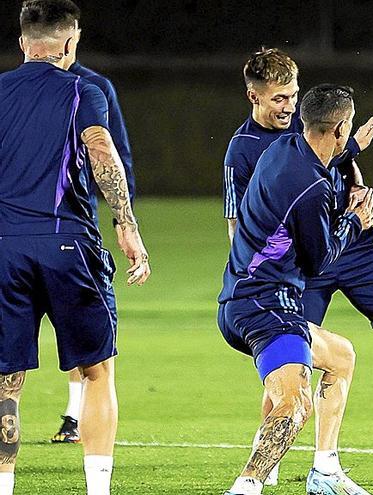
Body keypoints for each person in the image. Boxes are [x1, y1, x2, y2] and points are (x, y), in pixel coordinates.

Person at [223, 50, 373, 481]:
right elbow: (241, 222)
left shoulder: (305, 133)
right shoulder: (246, 150)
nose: (287, 107)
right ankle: (265, 463)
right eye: (279, 99)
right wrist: (261, 269)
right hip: (301, 262)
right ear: (254, 97)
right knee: (292, 366)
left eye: (293, 98)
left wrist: (356, 180)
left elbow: (339, 164)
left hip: (351, 246)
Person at [0, 1, 151, 494]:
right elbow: (102, 149)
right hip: (69, 245)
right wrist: (126, 224)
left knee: (6, 379)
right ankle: (97, 490)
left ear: (24, 43)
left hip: (5, 248)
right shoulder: (83, 90)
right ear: (70, 43)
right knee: (97, 369)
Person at [222, 49, 373, 494]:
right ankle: (248, 486)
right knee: (294, 405)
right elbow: (321, 262)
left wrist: (349, 157)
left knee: (341, 356)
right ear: (341, 128)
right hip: (264, 304)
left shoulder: (280, 148)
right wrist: (355, 221)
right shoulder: (310, 186)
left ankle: (325, 470)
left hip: (248, 295)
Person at [51, 4, 138, 447]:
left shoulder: (93, 88)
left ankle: (74, 411)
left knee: (79, 326)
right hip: (46, 231)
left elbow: (113, 151)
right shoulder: (21, 91)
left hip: (72, 222)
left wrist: (125, 216)